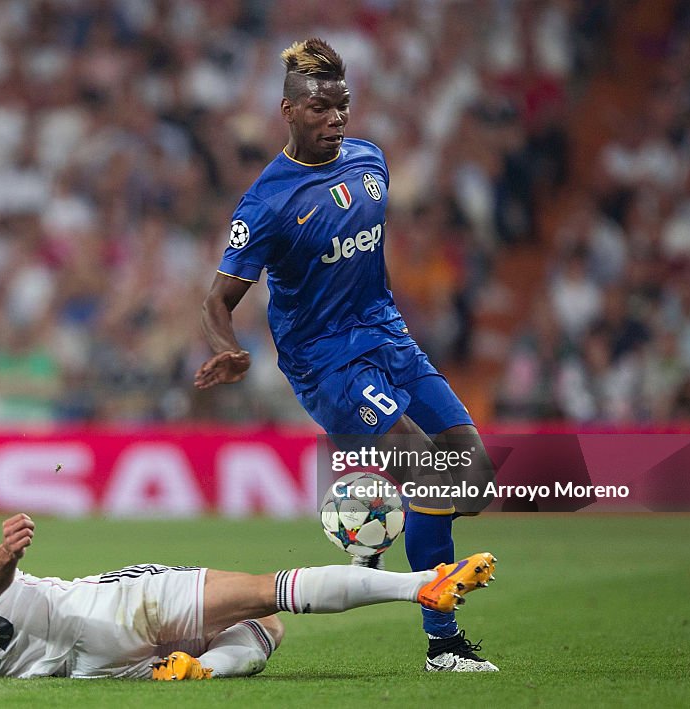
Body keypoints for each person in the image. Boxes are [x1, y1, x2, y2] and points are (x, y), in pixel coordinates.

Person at [195, 38, 499, 671]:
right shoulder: (266, 204)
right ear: (287, 110)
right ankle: (442, 643)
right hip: (328, 363)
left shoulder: (370, 160)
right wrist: (230, 350)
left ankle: (367, 518)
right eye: (319, 109)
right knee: (430, 473)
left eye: (342, 106)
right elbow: (218, 300)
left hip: (389, 336)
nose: (335, 119)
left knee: (469, 471)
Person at [0, 469, 496, 680]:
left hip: (84, 669)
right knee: (267, 593)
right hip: (104, 609)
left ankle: (197, 665)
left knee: (263, 628)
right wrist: (4, 552)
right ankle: (419, 584)